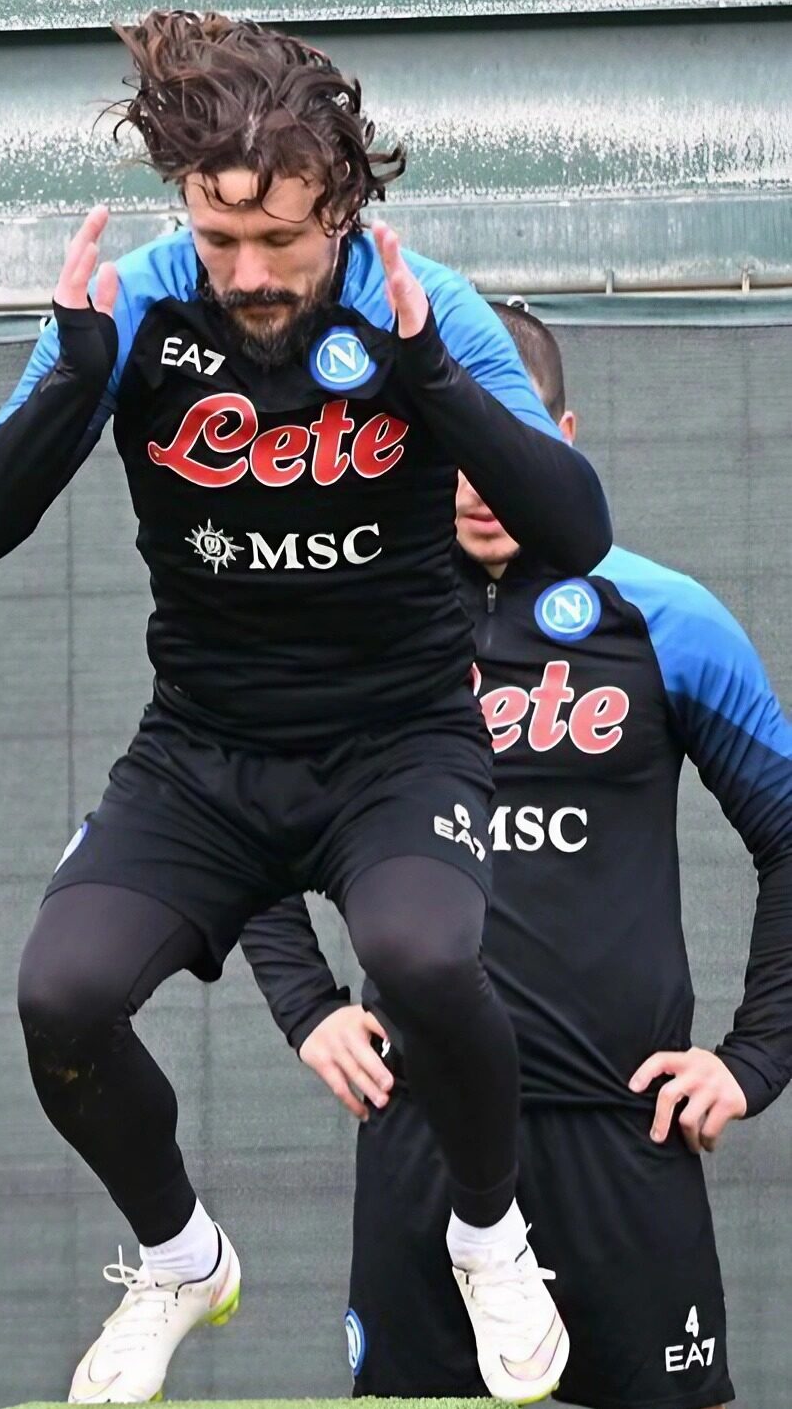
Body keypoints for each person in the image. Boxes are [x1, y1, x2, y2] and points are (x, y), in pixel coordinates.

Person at [0, 11, 612, 1404]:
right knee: (58, 994)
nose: (245, 274)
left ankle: (490, 1231)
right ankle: (183, 1256)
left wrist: (429, 376)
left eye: (281, 242)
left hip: (399, 738)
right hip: (204, 751)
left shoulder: (431, 307)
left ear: (344, 206)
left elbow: (576, 524)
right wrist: (72, 377)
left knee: (423, 958)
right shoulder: (133, 305)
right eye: (217, 236)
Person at [242, 302, 792, 1409]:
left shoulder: (666, 619)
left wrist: (755, 1056)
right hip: (421, 1144)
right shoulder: (355, 630)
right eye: (455, 448)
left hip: (618, 1136)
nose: (480, 481)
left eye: (512, 443)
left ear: (565, 438)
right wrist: (306, 1005)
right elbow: (232, 820)